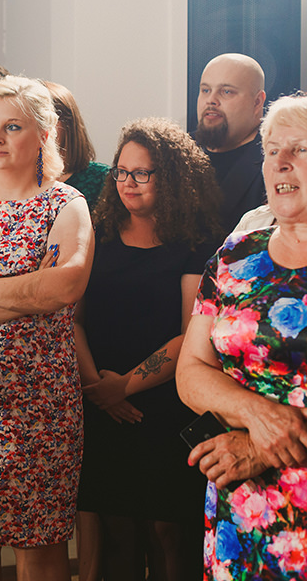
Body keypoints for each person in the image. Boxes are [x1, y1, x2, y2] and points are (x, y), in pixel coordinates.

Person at [178, 90, 307, 579]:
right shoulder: (236, 255)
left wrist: (259, 448)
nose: (279, 162)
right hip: (240, 512)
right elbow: (192, 370)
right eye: (272, 150)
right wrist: (255, 413)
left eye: (300, 149)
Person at [0, 75, 93, 581]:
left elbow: (64, 288)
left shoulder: (65, 204)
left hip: (42, 398)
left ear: (44, 135)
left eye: (12, 127)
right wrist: (31, 292)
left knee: (41, 547)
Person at [75, 118, 221, 581]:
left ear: (172, 177)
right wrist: (99, 388)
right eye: (121, 172)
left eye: (142, 173)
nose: (128, 183)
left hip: (165, 404)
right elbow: (72, 319)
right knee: (115, 529)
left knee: (167, 533)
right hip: (100, 399)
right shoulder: (97, 234)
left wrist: (125, 387)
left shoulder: (195, 242)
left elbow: (190, 334)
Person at [194, 53, 268, 233]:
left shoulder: (276, 162)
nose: (211, 100)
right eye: (205, 90)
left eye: (226, 91)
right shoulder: (176, 153)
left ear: (257, 102)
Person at [43, 81, 110, 211]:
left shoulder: (102, 178)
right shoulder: (19, 180)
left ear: (68, 123)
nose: (40, 128)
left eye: (47, 120)